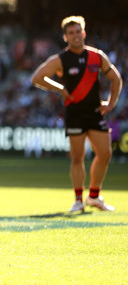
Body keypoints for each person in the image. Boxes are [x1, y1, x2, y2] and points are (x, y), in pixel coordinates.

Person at [32, 16, 123, 212]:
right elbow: (37, 77)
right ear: (65, 37)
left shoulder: (96, 56)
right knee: (77, 157)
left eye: (78, 32)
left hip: (95, 112)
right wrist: (60, 89)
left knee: (105, 153)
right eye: (70, 33)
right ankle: (78, 200)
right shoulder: (61, 59)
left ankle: (94, 196)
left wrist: (111, 103)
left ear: (84, 33)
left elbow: (116, 79)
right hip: (74, 114)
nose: (75, 36)